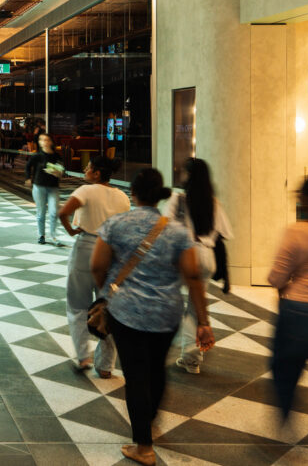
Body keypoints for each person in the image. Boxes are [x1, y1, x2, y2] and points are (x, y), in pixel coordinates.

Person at [90, 168, 215, 466]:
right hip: (166, 314)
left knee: (135, 376)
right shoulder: (176, 231)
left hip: (126, 313)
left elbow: (97, 265)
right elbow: (193, 277)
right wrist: (203, 321)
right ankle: (151, 417)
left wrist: (108, 291)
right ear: (159, 194)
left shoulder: (115, 224)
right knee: (157, 368)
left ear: (133, 192)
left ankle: (143, 446)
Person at [269, 175, 308, 466]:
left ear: (307, 199)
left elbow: (276, 277)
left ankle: (285, 409)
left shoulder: (297, 231)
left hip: (298, 312)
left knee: (283, 367)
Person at [58, 156, 130, 378]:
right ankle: (106, 366)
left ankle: (84, 357)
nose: (86, 170)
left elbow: (63, 213)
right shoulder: (122, 197)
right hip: (111, 252)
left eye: (89, 167)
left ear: (97, 173)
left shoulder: (86, 191)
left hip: (86, 247)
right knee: (107, 307)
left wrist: (71, 230)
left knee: (77, 306)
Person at [165, 158, 233, 375]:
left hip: (186, 255)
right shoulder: (213, 202)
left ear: (189, 175)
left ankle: (178, 346)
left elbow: (165, 226)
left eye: (184, 171)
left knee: (171, 300)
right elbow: (224, 234)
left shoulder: (179, 199)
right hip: (208, 257)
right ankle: (192, 360)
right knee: (195, 308)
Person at [25, 133, 64, 244]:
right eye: (42, 140)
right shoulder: (37, 156)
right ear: (40, 143)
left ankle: (54, 236)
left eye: (47, 140)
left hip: (53, 187)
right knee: (41, 212)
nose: (45, 142)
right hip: (39, 186)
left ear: (51, 142)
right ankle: (41, 235)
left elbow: (62, 170)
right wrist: (28, 178)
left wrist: (58, 172)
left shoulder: (57, 156)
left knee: (53, 212)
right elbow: (28, 166)